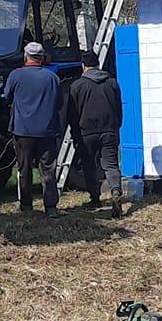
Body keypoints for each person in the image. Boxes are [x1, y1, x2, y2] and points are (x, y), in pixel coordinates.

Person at [2, 41, 65, 217]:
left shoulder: (16, 75)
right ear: (42, 58)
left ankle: (26, 205)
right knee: (48, 169)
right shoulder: (52, 77)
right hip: (47, 130)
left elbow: (7, 97)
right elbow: (59, 103)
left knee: (24, 169)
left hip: (23, 131)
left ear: (25, 56)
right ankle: (51, 207)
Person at [66, 50, 125, 217]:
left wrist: (75, 133)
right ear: (98, 64)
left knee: (89, 166)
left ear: (83, 66)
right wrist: (116, 126)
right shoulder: (112, 83)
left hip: (87, 132)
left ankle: (95, 198)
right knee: (111, 165)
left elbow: (72, 114)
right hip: (109, 130)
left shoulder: (77, 86)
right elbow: (118, 109)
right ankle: (115, 191)